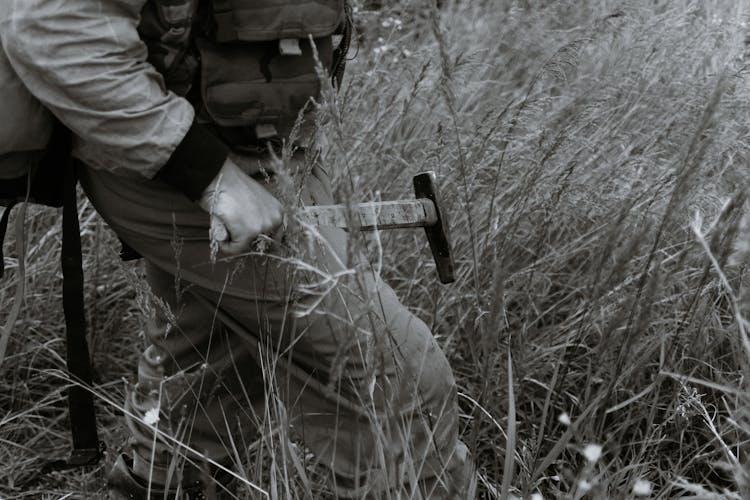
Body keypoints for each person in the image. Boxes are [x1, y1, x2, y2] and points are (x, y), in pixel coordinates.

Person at [1, 0, 474, 498]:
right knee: (394, 376)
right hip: (176, 159)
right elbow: (50, 26)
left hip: (268, 148)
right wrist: (212, 180)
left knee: (213, 363)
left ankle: (165, 485)